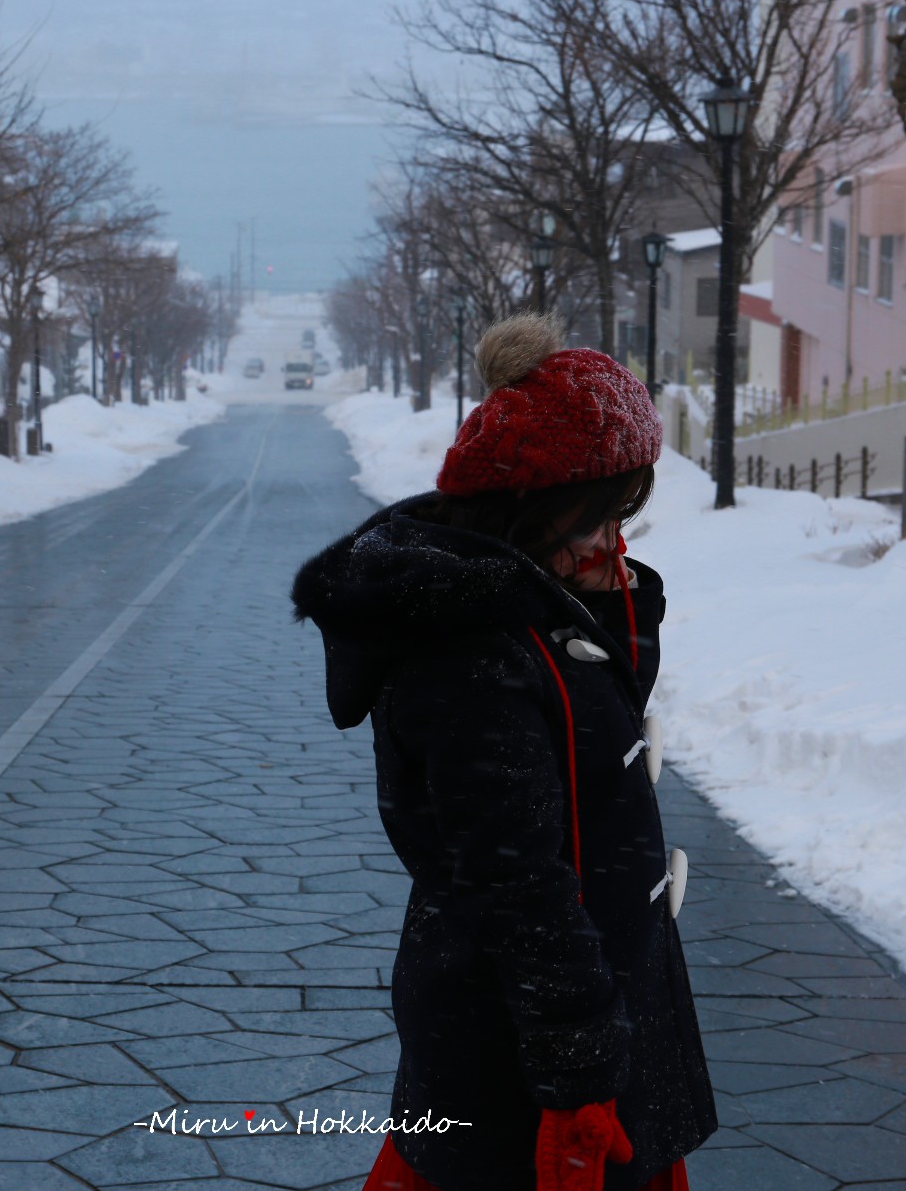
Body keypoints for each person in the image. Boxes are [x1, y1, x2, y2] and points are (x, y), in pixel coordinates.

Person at [292, 314, 715, 1191]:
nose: (613, 540)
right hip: (517, 1047)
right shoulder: (472, 653)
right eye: (599, 516)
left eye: (622, 517)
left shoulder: (533, 607)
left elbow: (599, 733)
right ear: (533, 506)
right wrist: (579, 1071)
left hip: (583, 1022)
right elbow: (516, 883)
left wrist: (611, 603)